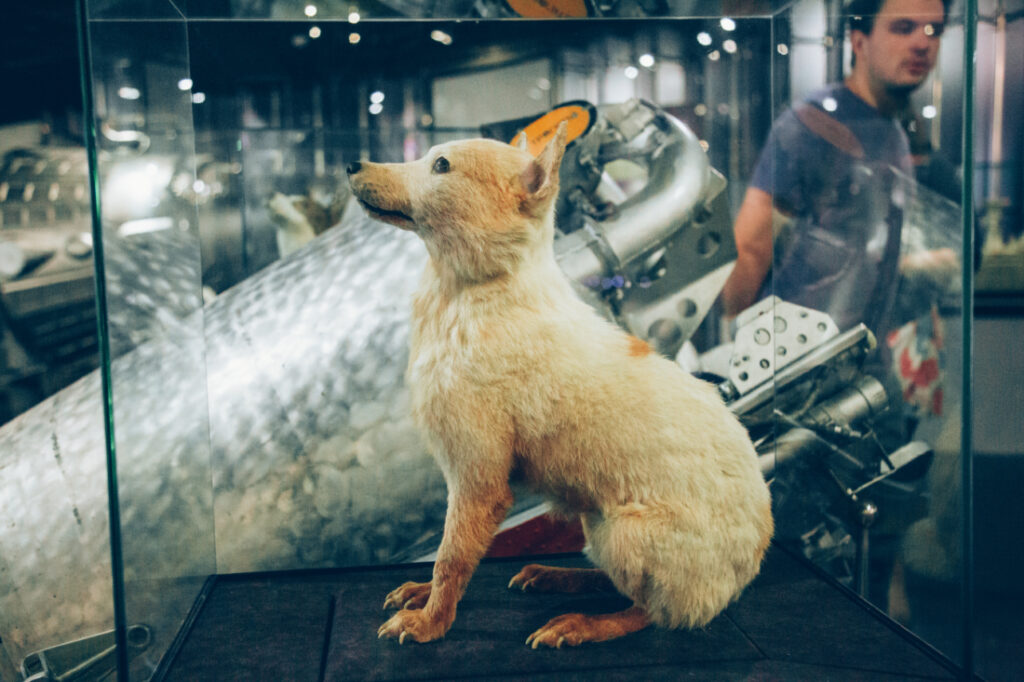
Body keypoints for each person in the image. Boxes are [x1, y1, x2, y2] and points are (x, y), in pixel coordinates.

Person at [721, 0, 952, 342]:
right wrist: (741, 346)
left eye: (933, 30)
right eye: (903, 28)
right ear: (859, 41)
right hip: (797, 355)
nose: (922, 43)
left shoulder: (894, 132)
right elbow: (753, 248)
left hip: (855, 353)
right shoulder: (813, 125)